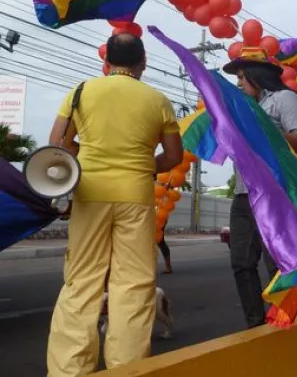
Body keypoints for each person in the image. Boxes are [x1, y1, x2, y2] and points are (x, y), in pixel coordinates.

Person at [46, 33, 183, 376]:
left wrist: (89, 158)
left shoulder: (80, 92)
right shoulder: (158, 100)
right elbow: (174, 156)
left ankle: (68, 370)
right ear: (143, 62)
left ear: (106, 61)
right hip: (136, 197)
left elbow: (56, 144)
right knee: (133, 286)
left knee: (82, 282)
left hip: (89, 194)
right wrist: (139, 165)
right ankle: (126, 369)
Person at [222, 46, 297, 329]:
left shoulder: (285, 99)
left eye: (241, 78)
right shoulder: (241, 107)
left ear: (256, 76)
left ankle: (284, 318)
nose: (238, 84)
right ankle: (255, 324)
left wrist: (266, 131)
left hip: (274, 195)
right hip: (242, 194)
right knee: (241, 262)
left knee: (278, 263)